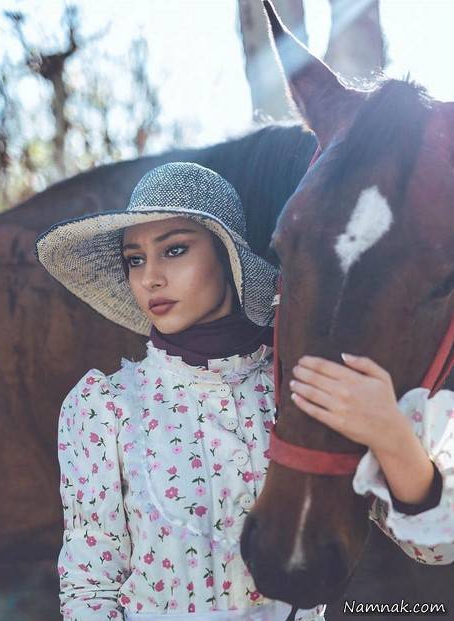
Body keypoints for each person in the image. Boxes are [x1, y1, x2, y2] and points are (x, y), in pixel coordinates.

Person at [35, 162, 454, 621]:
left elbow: (434, 547)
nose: (150, 277)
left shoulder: (302, 391)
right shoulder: (104, 409)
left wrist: (390, 433)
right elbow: (89, 587)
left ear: (227, 257)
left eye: (174, 250)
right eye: (135, 259)